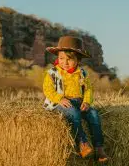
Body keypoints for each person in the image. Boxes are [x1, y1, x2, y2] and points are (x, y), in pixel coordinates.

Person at [42, 35, 109, 163]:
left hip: (79, 102)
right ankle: (82, 143)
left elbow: (88, 89)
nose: (65, 62)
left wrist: (86, 102)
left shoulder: (82, 73)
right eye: (61, 58)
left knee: (94, 115)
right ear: (57, 58)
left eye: (69, 59)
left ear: (78, 60)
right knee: (74, 113)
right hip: (60, 102)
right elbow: (48, 90)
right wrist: (59, 98)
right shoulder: (52, 73)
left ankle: (99, 148)